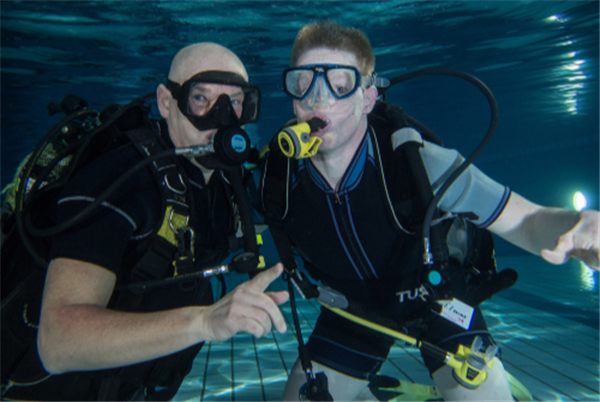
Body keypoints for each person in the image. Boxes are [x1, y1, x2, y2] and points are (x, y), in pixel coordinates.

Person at [257, 21, 599, 401]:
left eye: (340, 85)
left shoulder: (419, 164)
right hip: (351, 312)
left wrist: (577, 223)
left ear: (368, 99)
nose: (318, 100)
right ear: (292, 98)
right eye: (303, 83)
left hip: (436, 300)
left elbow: (527, 220)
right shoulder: (277, 177)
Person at [1, 42, 289, 401]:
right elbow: (58, 342)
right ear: (167, 103)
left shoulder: (229, 186)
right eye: (201, 99)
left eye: (234, 101)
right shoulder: (117, 183)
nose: (222, 118)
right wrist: (204, 322)